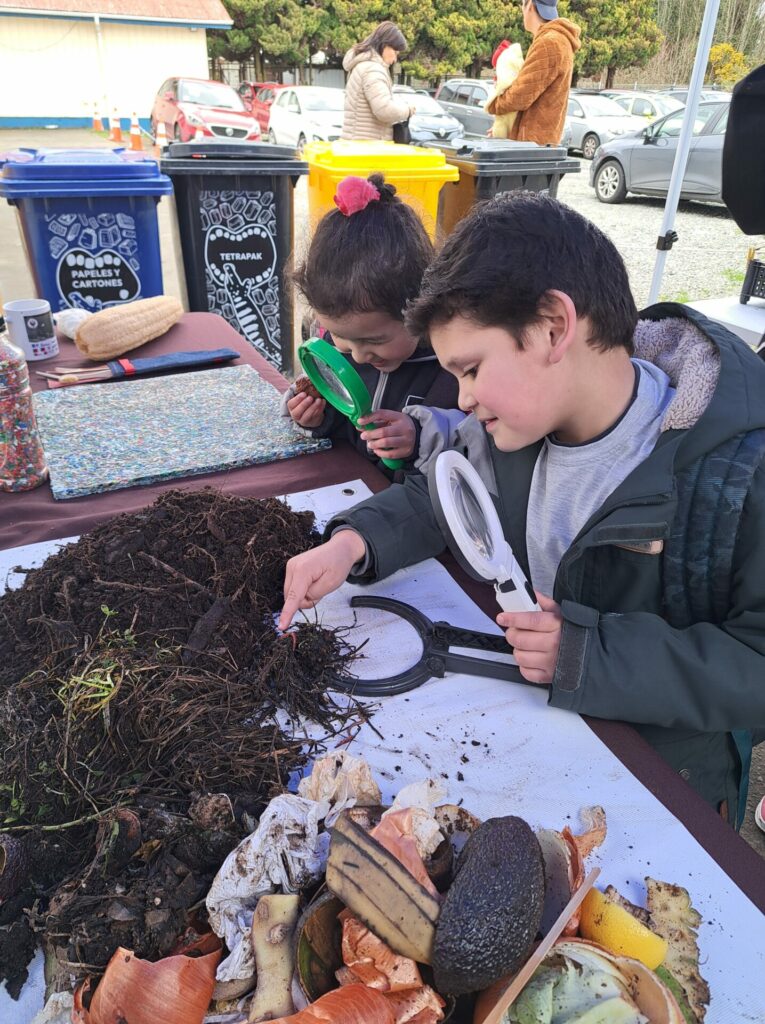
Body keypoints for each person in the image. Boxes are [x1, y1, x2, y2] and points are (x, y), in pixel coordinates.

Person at [280, 191, 765, 827]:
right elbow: (442, 496)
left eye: (472, 369)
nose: (462, 398)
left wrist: (590, 656)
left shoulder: (735, 475)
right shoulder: (513, 428)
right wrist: (353, 544)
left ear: (552, 327)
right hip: (540, 746)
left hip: (666, 786)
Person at [284, 173, 459, 477]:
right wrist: (313, 419)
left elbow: (474, 440)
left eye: (375, 341)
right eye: (341, 336)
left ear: (421, 307)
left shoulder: (450, 367)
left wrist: (420, 436)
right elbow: (340, 422)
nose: (359, 355)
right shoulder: (331, 352)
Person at [486, 0, 581, 146]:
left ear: (529, 4)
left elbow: (520, 96)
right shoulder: (557, 40)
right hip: (539, 144)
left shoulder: (548, 42)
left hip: (531, 146)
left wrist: (493, 105)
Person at [341, 21, 415, 141]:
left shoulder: (364, 66)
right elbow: (384, 110)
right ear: (385, 46)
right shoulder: (373, 70)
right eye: (395, 52)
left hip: (357, 145)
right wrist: (408, 110)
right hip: (368, 149)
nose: (395, 59)